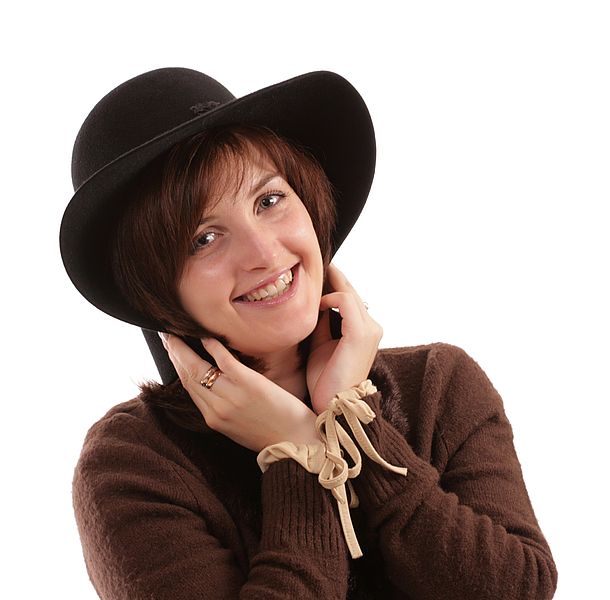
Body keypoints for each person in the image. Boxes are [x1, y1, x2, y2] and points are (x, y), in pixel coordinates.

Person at [62, 67, 557, 599]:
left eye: (269, 201)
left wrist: (353, 423)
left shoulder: (439, 385)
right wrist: (297, 456)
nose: (264, 253)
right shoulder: (136, 463)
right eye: (204, 238)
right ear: (156, 293)